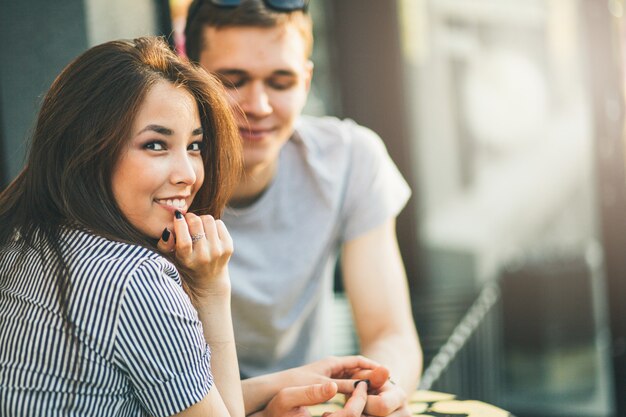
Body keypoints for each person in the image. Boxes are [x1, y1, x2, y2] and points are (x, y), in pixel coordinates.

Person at [0, 36, 381, 416]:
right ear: (86, 148)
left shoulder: (25, 239)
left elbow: (165, 397)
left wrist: (285, 381)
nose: (188, 175)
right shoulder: (135, 281)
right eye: (155, 145)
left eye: (194, 147)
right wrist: (212, 290)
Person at [184, 0, 423, 415]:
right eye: (232, 80)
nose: (258, 105)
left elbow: (390, 330)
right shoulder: (154, 181)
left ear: (307, 80)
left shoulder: (350, 158)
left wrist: (381, 391)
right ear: (187, 74)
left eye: (281, 81)